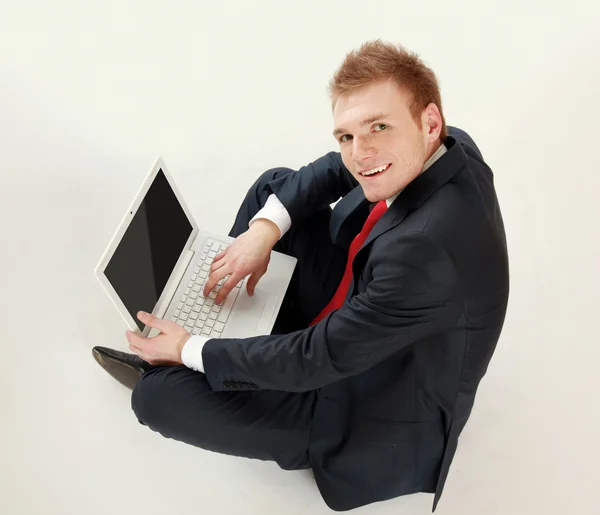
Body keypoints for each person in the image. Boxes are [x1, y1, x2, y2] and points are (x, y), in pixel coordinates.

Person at [92, 40, 509, 512]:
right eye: (347, 135)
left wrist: (191, 351)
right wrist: (263, 233)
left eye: (379, 127)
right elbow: (335, 170)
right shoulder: (447, 145)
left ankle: (196, 355)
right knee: (275, 191)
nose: (361, 153)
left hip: (364, 402)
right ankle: (226, 332)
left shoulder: (428, 249)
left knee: (155, 398)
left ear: (428, 121)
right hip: (362, 300)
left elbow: (319, 356)